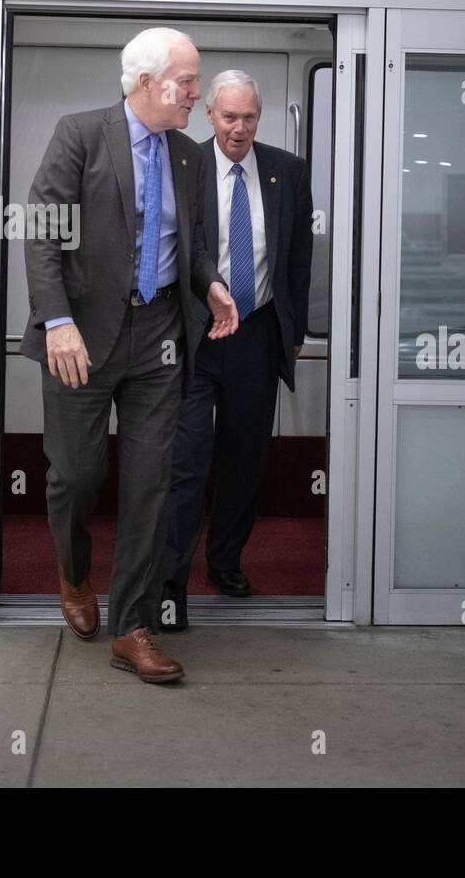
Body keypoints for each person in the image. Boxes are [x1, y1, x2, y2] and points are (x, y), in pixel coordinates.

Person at [22, 27, 239, 682]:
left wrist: (212, 284)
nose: (198, 95)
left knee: (152, 484)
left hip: (160, 340)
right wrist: (57, 320)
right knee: (78, 475)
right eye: (188, 81)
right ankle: (76, 570)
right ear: (146, 81)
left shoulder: (190, 158)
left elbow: (193, 245)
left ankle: (134, 628)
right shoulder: (80, 134)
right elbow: (42, 230)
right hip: (81, 337)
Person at [159, 69, 312, 629]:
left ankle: (225, 563)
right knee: (186, 462)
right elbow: (178, 252)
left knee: (244, 460)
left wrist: (291, 336)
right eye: (229, 117)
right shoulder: (185, 166)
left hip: (257, 333)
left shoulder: (288, 172)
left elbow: (298, 260)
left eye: (249, 117)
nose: (239, 128)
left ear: (260, 117)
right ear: (210, 116)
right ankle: (170, 585)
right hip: (197, 336)